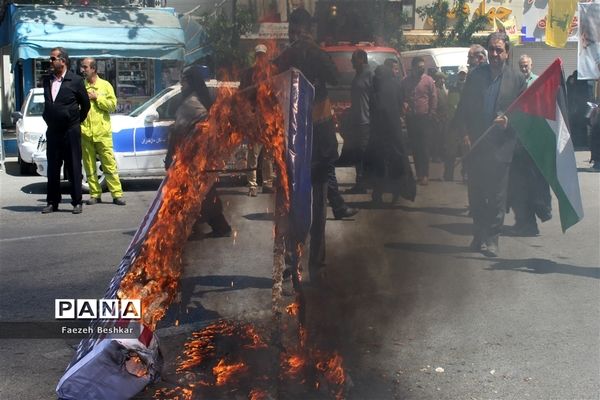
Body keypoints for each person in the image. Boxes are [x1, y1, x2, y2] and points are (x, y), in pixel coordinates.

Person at [274, 8, 344, 281]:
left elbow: (269, 76)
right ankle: (315, 265)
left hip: (298, 140)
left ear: (294, 28)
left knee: (296, 205)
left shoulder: (290, 54)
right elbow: (336, 77)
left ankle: (296, 263)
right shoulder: (312, 52)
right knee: (316, 205)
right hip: (315, 139)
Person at [456, 32, 527, 257]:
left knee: (496, 196)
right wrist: (464, 135)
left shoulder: (517, 79)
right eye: (491, 49)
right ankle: (478, 234)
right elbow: (463, 109)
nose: (494, 54)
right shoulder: (476, 76)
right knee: (476, 195)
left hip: (501, 148)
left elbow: (524, 113)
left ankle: (492, 239)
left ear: (507, 52)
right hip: (476, 145)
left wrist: (509, 121)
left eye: (499, 50)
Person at [165, 65, 232, 237]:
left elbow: (178, 131)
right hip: (203, 155)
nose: (181, 85)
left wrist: (169, 156)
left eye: (184, 81)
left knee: (191, 191)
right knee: (204, 190)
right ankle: (219, 226)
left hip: (195, 156)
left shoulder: (191, 103)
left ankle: (193, 227)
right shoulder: (202, 99)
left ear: (190, 82)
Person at [41, 47, 91, 214]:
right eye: (50, 58)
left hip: (70, 130)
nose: (51, 61)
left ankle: (77, 201)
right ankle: (52, 201)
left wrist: (75, 121)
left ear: (63, 61)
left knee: (74, 166)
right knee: (53, 167)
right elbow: (49, 103)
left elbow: (86, 105)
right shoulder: (47, 80)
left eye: (53, 58)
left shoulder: (75, 80)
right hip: (53, 130)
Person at [507, 54, 552, 236]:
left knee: (533, 183)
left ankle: (533, 219)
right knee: (518, 184)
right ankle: (522, 221)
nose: (524, 68)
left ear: (531, 65)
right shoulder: (516, 83)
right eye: (521, 65)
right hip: (517, 139)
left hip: (533, 140)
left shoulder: (538, 83)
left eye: (526, 65)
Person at [79, 57, 126, 206]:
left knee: (109, 164)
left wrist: (97, 97)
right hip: (86, 132)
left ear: (93, 69)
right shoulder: (81, 86)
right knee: (89, 165)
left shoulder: (105, 86)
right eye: (82, 67)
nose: (83, 70)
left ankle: (117, 194)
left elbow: (112, 106)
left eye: (85, 67)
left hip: (102, 133)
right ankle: (95, 194)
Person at [368, 61, 416, 204]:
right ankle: (399, 191)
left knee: (379, 163)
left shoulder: (375, 85)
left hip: (378, 130)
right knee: (397, 160)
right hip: (394, 129)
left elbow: (372, 105)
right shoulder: (396, 84)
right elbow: (401, 103)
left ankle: (377, 194)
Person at [240, 44, 275, 197]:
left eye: (263, 55)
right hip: (254, 118)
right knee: (253, 154)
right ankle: (252, 185)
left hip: (267, 119)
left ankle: (267, 183)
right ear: (256, 57)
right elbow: (242, 94)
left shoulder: (270, 73)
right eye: (258, 55)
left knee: (268, 154)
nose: (260, 58)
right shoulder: (248, 74)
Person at [399, 56, 437, 186]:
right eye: (419, 67)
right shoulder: (405, 81)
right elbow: (402, 97)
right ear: (413, 67)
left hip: (424, 118)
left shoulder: (429, 81)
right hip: (411, 118)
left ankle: (425, 175)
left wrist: (431, 113)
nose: (422, 69)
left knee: (424, 147)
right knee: (415, 147)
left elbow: (433, 98)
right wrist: (404, 106)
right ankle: (419, 174)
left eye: (423, 67)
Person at [345, 49, 373, 194]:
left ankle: (364, 182)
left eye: (354, 59)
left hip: (365, 121)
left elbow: (374, 99)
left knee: (362, 152)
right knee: (357, 152)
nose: (352, 62)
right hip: (357, 120)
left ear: (362, 59)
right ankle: (360, 182)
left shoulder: (369, 75)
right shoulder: (358, 75)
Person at [443, 65, 468, 181]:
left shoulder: (470, 88)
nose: (462, 75)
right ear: (458, 74)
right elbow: (449, 105)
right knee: (450, 151)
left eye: (464, 74)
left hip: (465, 124)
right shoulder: (452, 88)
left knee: (466, 151)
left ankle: (466, 175)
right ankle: (448, 175)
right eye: (461, 73)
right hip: (453, 124)